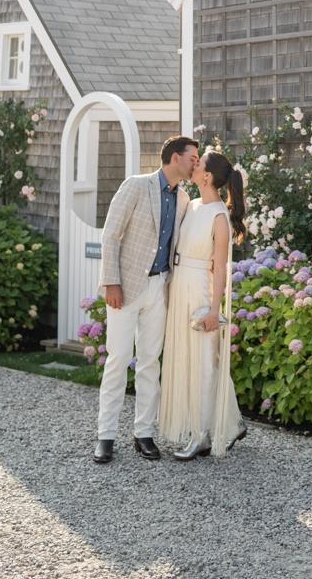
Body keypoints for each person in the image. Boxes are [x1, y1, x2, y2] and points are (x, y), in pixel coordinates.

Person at [92, 135, 198, 464]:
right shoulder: (136, 185)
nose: (196, 162)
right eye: (192, 157)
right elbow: (110, 234)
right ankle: (106, 437)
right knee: (118, 360)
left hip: (159, 288)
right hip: (125, 287)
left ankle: (144, 434)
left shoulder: (184, 199)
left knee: (151, 363)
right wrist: (111, 281)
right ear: (175, 157)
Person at [158, 148, 247, 459]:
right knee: (188, 357)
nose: (193, 166)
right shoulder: (192, 205)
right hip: (180, 284)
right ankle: (230, 423)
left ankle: (203, 435)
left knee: (204, 364)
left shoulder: (219, 216)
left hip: (200, 290)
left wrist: (214, 310)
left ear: (207, 176)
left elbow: (221, 268)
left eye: (199, 164)